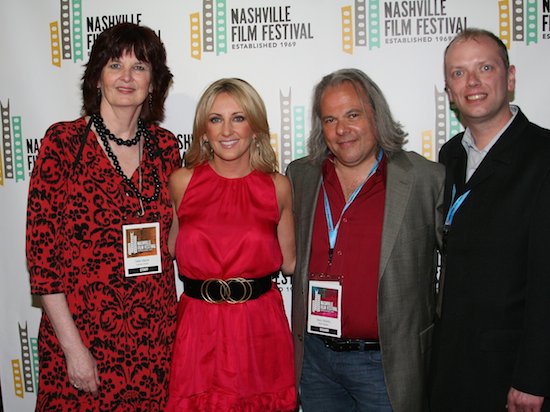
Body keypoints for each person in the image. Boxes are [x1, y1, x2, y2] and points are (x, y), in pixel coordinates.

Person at [26, 23, 181, 411]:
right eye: (115, 64)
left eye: (140, 67)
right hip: (83, 337)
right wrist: (72, 348)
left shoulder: (166, 148)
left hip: (153, 342)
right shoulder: (62, 144)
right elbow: (42, 263)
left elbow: (179, 237)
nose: (127, 77)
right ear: (97, 77)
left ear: (154, 82)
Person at [287, 68, 444, 412]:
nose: (342, 130)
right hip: (316, 362)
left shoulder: (423, 178)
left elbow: (458, 266)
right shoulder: (301, 176)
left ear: (376, 114)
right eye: (330, 119)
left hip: (387, 364)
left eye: (353, 115)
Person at [429, 28, 550, 412]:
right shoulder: (449, 157)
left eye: (485, 67)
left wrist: (534, 376)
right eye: (459, 73)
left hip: (513, 373)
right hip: (453, 365)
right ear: (448, 90)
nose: (473, 83)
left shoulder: (543, 156)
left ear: (510, 77)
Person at [165, 78, 296, 411]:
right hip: (199, 327)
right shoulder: (182, 182)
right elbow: (170, 248)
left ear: (255, 127)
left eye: (238, 117)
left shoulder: (278, 187)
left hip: (259, 329)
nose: (226, 130)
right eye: (215, 119)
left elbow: (292, 263)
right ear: (203, 131)